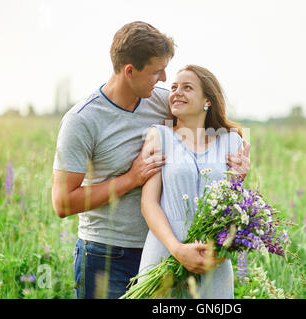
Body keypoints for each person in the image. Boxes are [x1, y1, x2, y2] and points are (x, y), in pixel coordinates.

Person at [51, 22, 251, 299]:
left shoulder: (163, 100)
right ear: (130, 71)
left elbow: (204, 140)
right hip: (107, 254)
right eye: (157, 72)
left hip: (161, 250)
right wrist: (130, 179)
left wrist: (238, 172)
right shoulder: (82, 120)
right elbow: (62, 203)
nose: (165, 80)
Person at [138, 65, 248, 298]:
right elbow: (149, 203)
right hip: (164, 252)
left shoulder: (231, 141)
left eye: (187, 88)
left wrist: (240, 179)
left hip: (212, 258)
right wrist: (177, 250)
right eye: (174, 87)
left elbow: (232, 207)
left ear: (207, 100)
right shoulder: (159, 135)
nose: (177, 92)